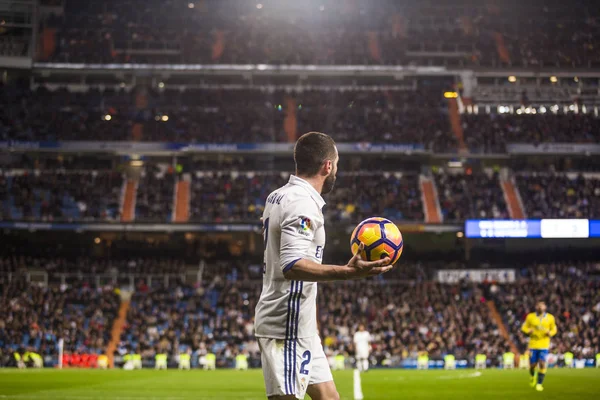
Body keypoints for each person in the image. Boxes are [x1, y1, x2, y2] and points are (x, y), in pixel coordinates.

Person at [254, 132, 393, 400]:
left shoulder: (279, 196)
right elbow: (292, 265)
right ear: (327, 166)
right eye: (336, 164)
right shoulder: (302, 203)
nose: (336, 171)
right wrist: (349, 272)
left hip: (301, 326)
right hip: (286, 326)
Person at [521, 301, 557, 392]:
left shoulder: (550, 318)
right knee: (532, 365)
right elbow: (524, 327)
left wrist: (551, 333)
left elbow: (554, 328)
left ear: (545, 307)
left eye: (542, 306)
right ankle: (533, 376)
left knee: (542, 363)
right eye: (538, 306)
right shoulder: (530, 317)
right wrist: (528, 331)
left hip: (544, 344)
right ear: (536, 307)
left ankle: (539, 384)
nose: (540, 307)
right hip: (533, 344)